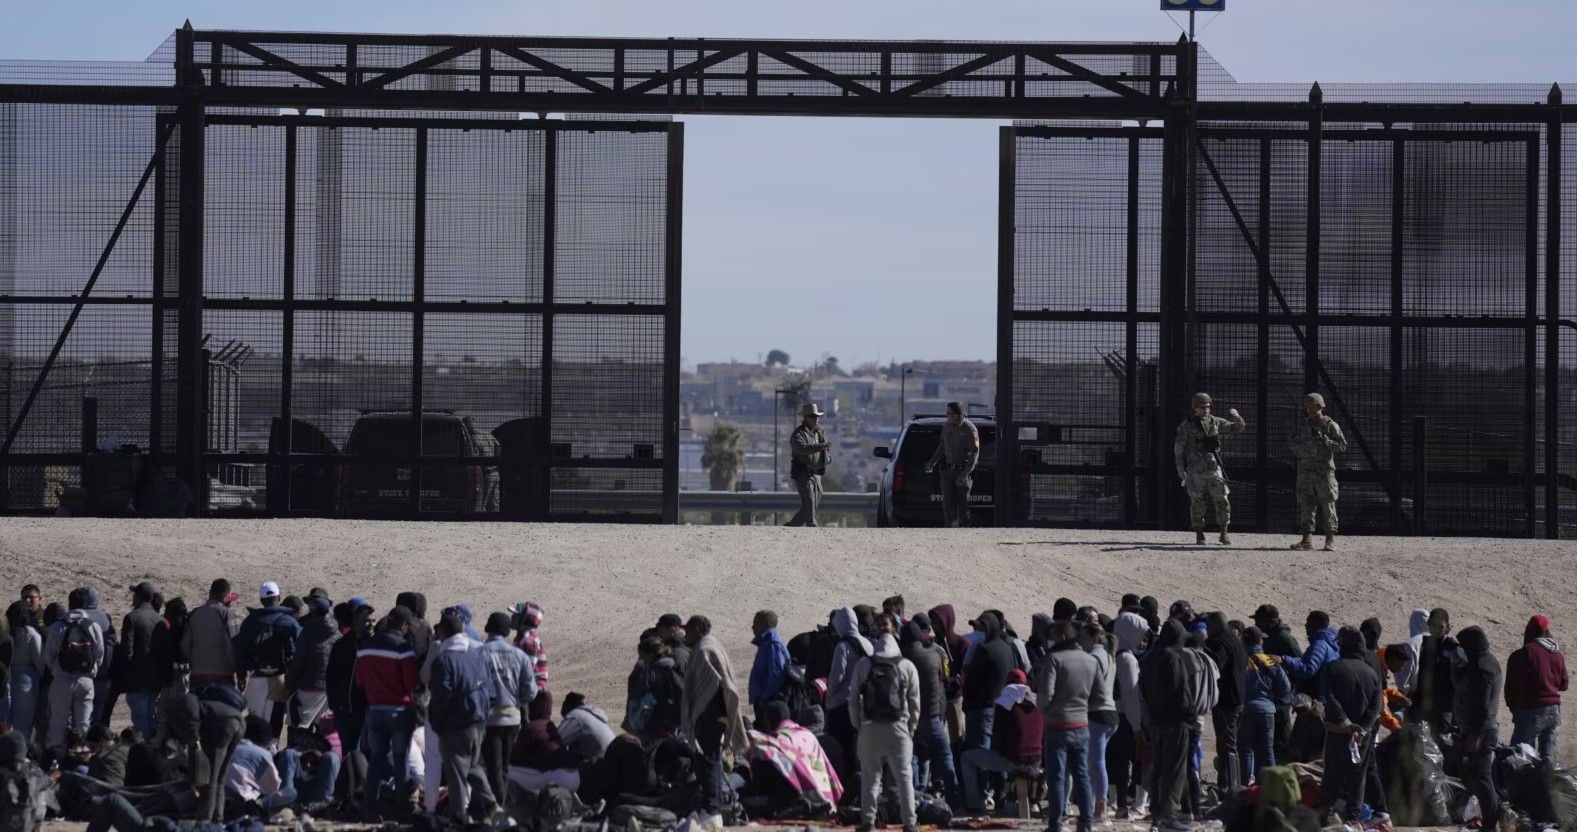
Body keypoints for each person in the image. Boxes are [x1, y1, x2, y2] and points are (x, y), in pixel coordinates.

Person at [848, 613, 921, 832]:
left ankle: (868, 822)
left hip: (870, 726)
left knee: (871, 777)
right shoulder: (906, 665)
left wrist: (859, 726)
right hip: (898, 726)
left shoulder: (864, 664)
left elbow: (853, 701)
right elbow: (915, 703)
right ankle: (910, 822)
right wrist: (911, 729)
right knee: (904, 777)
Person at [429, 611, 496, 822]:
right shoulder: (476, 655)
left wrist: (437, 723)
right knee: (473, 766)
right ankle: (490, 803)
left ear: (444, 631)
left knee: (456, 770)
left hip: (456, 725)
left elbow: (442, 697)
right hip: (479, 722)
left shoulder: (443, 660)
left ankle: (459, 815)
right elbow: (491, 691)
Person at [681, 615, 749, 820]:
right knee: (712, 761)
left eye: (688, 631)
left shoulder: (703, 650)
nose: (686, 635)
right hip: (716, 717)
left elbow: (710, 685)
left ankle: (712, 809)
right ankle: (714, 806)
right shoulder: (710, 645)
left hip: (709, 717)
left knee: (708, 762)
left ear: (697, 630)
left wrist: (699, 714)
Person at [355, 607, 419, 821]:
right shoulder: (403, 648)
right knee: (400, 761)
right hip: (399, 712)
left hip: (374, 711)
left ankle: (370, 808)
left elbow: (360, 681)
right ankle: (401, 809)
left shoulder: (365, 647)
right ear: (403, 625)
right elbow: (410, 683)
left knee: (375, 760)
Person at [1314, 628, 1383, 825]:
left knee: (1332, 774)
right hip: (1362, 736)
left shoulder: (1333, 668)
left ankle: (1323, 815)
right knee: (1357, 777)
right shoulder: (1372, 673)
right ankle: (1353, 819)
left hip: (1338, 732)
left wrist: (1346, 723)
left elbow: (1331, 698)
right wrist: (1362, 727)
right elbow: (1376, 706)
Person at [1038, 621, 1098, 832]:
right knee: (1082, 774)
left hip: (1057, 724)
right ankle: (1086, 822)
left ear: (1062, 636)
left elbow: (1045, 694)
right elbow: (1098, 695)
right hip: (1081, 724)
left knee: (1056, 776)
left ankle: (1056, 823)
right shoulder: (1090, 660)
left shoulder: (1054, 659)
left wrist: (1044, 711)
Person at [1141, 620, 1197, 832]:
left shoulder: (1150, 658)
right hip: (1176, 722)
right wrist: (1190, 718)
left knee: (1159, 770)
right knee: (1174, 771)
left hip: (1157, 722)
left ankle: (1157, 815)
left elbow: (1144, 691)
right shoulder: (1173, 658)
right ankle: (1169, 817)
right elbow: (1182, 693)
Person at [958, 667, 1040, 814]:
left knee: (967, 757)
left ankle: (973, 804)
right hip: (1036, 760)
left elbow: (997, 738)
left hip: (1013, 760)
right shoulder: (1037, 703)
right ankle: (1018, 800)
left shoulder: (1004, 704)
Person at [900, 616, 959, 807]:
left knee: (914, 759)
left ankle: (916, 797)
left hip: (913, 719)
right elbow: (943, 681)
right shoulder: (934, 656)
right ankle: (954, 798)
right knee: (945, 757)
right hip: (935, 717)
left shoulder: (903, 659)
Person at [1173, 392, 1246, 545]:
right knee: (1197, 502)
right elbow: (1179, 449)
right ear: (1195, 408)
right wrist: (1181, 469)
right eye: (1202, 407)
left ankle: (1224, 532)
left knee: (1222, 499)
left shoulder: (1215, 422)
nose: (1206, 410)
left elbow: (1237, 428)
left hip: (1214, 469)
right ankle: (1199, 534)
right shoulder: (1186, 426)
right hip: (1195, 470)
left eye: (1208, 407)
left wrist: (1237, 417)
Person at [479, 611, 535, 805]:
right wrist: (516, 701)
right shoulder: (519, 655)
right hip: (512, 719)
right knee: (504, 766)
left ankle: (497, 807)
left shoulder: (479, 653)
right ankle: (501, 805)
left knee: (493, 767)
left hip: (488, 720)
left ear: (488, 629)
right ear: (507, 632)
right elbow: (530, 691)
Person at [234, 582, 302, 739]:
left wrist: (241, 674)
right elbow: (299, 650)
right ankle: (270, 754)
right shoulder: (289, 621)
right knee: (274, 721)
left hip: (256, 676)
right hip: (279, 677)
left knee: (254, 722)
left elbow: (240, 650)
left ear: (261, 600)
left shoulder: (251, 621)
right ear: (279, 597)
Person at [164, 691, 246, 822]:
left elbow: (192, 714)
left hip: (223, 725)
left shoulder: (177, 705)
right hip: (237, 723)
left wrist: (194, 740)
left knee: (210, 778)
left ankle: (205, 820)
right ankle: (217, 819)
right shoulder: (176, 711)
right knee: (219, 778)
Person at [1454, 626, 1503, 827]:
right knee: (1479, 776)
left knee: (1483, 778)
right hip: (1483, 729)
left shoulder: (1482, 668)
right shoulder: (1485, 661)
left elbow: (1482, 707)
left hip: (1482, 731)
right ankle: (1494, 815)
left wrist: (1474, 735)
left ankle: (1491, 822)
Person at [1287, 392, 1348, 551]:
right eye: (1307, 406)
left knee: (1327, 504)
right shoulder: (1303, 425)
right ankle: (1306, 539)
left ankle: (1330, 539)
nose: (1310, 409)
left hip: (1324, 472)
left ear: (1320, 406)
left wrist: (1326, 441)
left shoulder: (1329, 425)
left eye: (1313, 406)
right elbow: (1291, 441)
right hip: (1306, 471)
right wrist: (1301, 449)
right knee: (1306, 504)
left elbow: (1342, 446)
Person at [43, 596, 104, 746]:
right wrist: (91, 670)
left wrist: (58, 669)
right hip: (86, 681)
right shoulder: (93, 626)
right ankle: (80, 758)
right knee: (83, 725)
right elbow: (99, 654)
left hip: (62, 680)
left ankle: (56, 759)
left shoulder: (58, 627)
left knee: (58, 725)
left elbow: (48, 657)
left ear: (69, 605)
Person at [1506, 614, 1567, 762]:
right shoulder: (1557, 654)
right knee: (1549, 758)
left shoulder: (1523, 654)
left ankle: (1520, 785)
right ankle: (1549, 783)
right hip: (1554, 710)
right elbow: (1564, 684)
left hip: (1531, 709)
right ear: (1546, 632)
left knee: (1519, 757)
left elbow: (1511, 687)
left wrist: (1514, 709)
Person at [962, 611, 1014, 771]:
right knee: (997, 750)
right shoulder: (1007, 647)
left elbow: (973, 679)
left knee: (979, 752)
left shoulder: (985, 649)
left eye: (981, 628)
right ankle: (998, 790)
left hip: (981, 707)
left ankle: (980, 792)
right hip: (1001, 707)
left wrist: (967, 702)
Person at [1202, 612, 1247, 793]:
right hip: (1233, 700)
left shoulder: (1222, 642)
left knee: (1228, 744)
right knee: (1225, 743)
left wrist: (1202, 650)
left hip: (1228, 702)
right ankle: (1225, 784)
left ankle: (1231, 786)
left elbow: (1215, 664)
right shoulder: (1233, 640)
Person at [1239, 627, 1290, 785]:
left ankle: (1246, 784)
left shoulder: (1239, 660)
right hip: (1267, 710)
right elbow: (1285, 687)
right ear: (1259, 641)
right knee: (1268, 748)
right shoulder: (1269, 660)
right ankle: (1270, 785)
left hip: (1246, 710)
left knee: (1246, 749)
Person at [1079, 622, 1118, 824]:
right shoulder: (1108, 655)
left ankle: (1101, 809)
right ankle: (1096, 805)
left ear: (1094, 637)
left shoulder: (1094, 657)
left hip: (1097, 714)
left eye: (1084, 636)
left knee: (1096, 762)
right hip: (1109, 713)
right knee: (1095, 762)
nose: (1081, 639)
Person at [824, 607, 872, 773]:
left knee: (842, 751)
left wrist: (828, 697)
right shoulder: (868, 644)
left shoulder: (842, 646)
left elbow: (836, 677)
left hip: (842, 706)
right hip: (864, 704)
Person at [1109, 612, 1147, 820]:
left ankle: (1113, 802)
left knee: (1111, 761)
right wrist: (1136, 726)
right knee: (1126, 762)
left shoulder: (1110, 652)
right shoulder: (1128, 659)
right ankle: (1123, 804)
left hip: (1106, 715)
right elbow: (1131, 695)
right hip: (1124, 717)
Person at [119, 582, 168, 740]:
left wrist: (124, 674)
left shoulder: (132, 617)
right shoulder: (158, 620)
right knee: (149, 719)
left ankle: (145, 755)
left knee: (141, 726)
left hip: (136, 680)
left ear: (138, 597)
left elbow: (127, 651)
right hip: (154, 681)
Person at [285, 596, 339, 734]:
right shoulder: (337, 634)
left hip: (308, 688)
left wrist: (289, 683)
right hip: (329, 690)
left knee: (299, 730)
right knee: (324, 731)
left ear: (313, 612)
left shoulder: (307, 633)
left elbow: (298, 663)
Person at [923, 401, 981, 528]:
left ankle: (964, 529)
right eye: (947, 413)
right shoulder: (947, 426)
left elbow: (974, 453)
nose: (947, 416)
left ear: (957, 414)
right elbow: (942, 446)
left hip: (962, 470)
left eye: (949, 413)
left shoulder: (970, 429)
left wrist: (965, 474)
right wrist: (932, 462)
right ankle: (950, 528)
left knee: (963, 503)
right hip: (947, 470)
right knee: (948, 502)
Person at [184, 579, 240, 700]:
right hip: (222, 677)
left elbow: (184, 645)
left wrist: (194, 663)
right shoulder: (227, 614)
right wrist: (234, 667)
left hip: (197, 677)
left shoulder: (195, 613)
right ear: (226, 596)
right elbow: (233, 645)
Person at [72, 587, 117, 728]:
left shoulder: (76, 617)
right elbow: (110, 647)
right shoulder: (105, 618)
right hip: (103, 676)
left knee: (78, 719)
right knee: (97, 719)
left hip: (79, 676)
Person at [786, 402, 832, 528]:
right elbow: (802, 448)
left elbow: (826, 450)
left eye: (817, 416)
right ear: (805, 418)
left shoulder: (820, 432)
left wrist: (827, 458)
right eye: (812, 416)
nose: (816, 418)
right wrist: (819, 447)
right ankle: (812, 526)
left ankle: (792, 525)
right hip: (802, 473)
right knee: (809, 500)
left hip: (817, 473)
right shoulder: (798, 434)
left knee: (814, 500)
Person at [7, 605, 45, 742]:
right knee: (23, 726)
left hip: (7, 680)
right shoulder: (30, 634)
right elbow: (40, 662)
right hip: (27, 682)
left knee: (5, 723)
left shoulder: (7, 633)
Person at [1280, 610, 1339, 695]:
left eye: (1309, 622)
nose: (1305, 625)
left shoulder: (1320, 644)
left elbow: (1308, 669)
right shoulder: (1330, 643)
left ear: (1316, 624)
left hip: (1316, 697)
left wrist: (1285, 660)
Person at [749, 610, 790, 728]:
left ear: (766, 625)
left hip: (768, 704)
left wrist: (764, 698)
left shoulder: (773, 645)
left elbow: (776, 675)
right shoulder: (767, 644)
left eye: (756, 623)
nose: (752, 627)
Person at [559, 692, 616, 764]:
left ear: (568, 705)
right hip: (610, 764)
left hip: (598, 768)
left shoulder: (576, 716)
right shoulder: (594, 716)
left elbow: (554, 741)